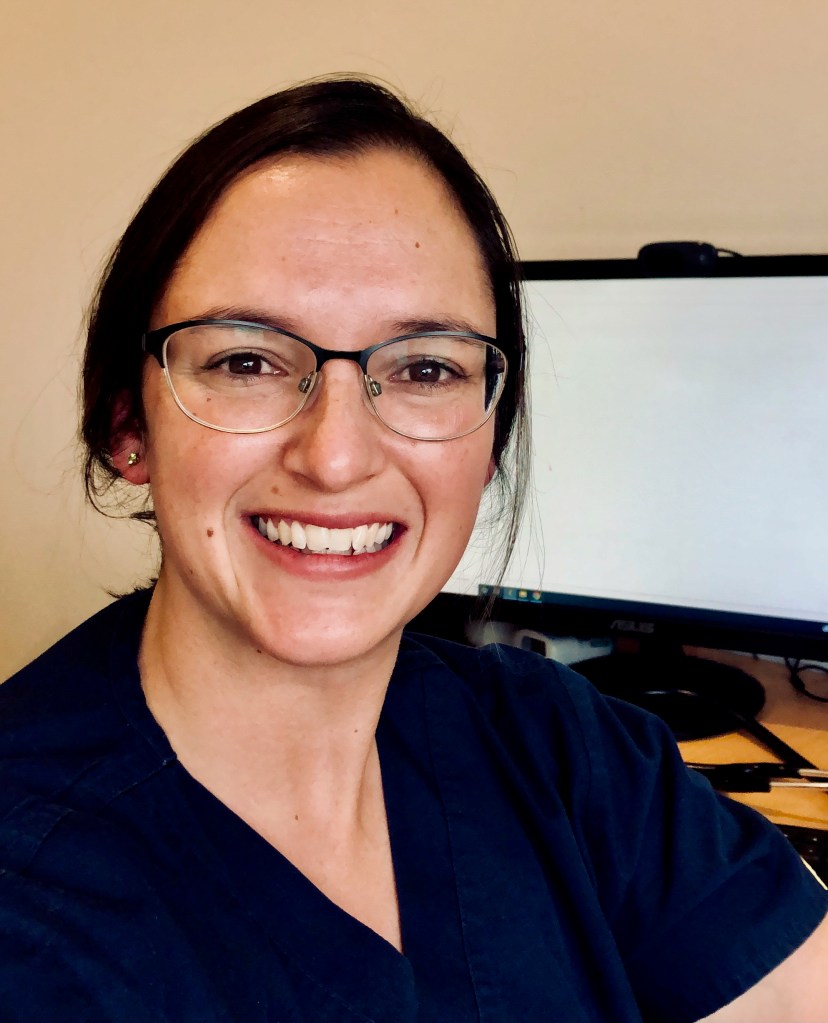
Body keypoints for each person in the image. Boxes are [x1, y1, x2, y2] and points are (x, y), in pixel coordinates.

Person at [0, 77, 826, 1023]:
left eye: (425, 367)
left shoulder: (560, 747)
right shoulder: (30, 908)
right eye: (247, 361)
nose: (337, 456)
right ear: (126, 424)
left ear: (489, 440)